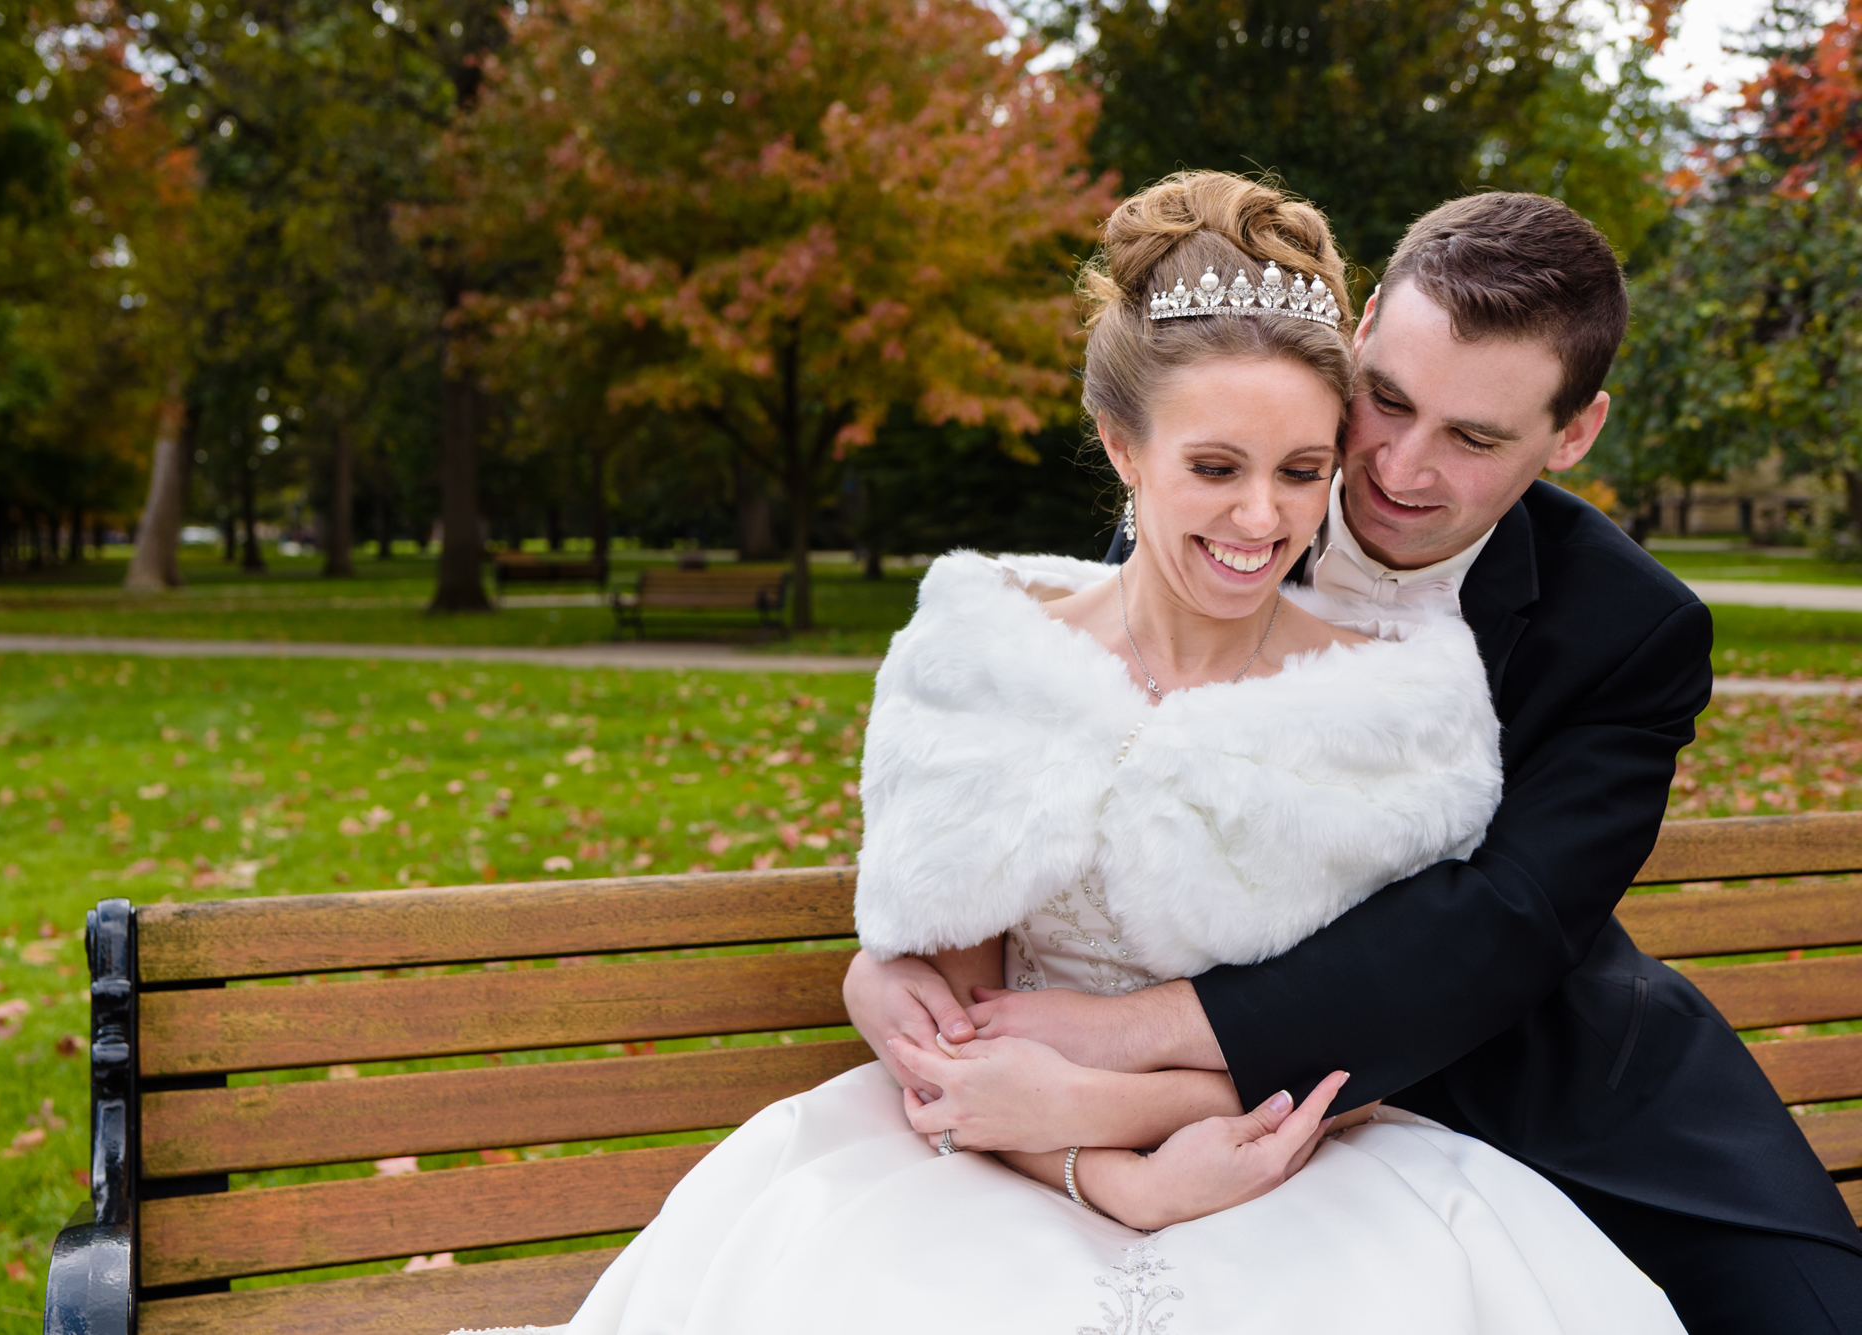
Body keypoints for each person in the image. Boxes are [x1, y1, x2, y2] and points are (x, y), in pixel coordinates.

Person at [478, 173, 1688, 1335]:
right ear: (1121, 449)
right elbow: (945, 1007)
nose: (1263, 518)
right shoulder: (993, 653)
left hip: (1294, 1151)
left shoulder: (1407, 704)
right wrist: (1095, 1168)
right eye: (1214, 468)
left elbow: (1390, 1010)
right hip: (979, 1160)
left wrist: (1109, 1106)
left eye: (1301, 472)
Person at [844, 188, 1862, 1331]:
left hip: (1529, 1072)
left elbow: (1499, 924)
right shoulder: (1219, 494)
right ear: (1363, 327)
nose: (1398, 470)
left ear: (1570, 435)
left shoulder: (1629, 630)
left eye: (1473, 439)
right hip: (1198, 1120)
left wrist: (1124, 1041)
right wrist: (893, 966)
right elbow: (1073, 779)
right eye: (1384, 404)